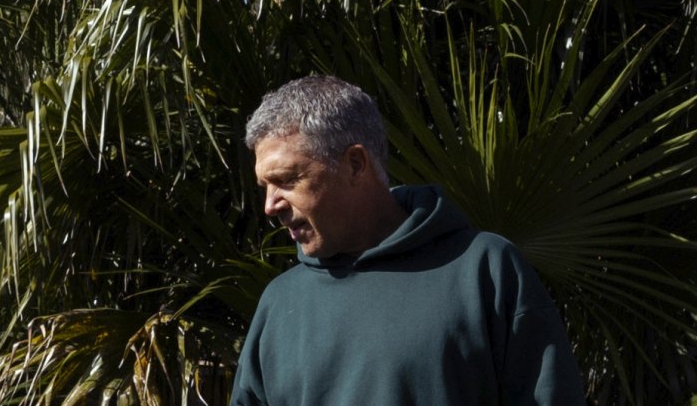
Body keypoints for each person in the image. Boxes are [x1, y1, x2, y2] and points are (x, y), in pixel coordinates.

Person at [230, 75, 586, 405]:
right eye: (266, 187)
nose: (269, 206)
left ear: (355, 164)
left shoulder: (484, 270)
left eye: (287, 180)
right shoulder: (279, 303)